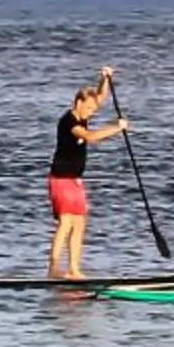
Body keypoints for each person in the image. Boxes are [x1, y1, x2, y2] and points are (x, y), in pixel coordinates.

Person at [47, 65, 131, 279]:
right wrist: (116, 128)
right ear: (78, 103)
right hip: (61, 179)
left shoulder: (83, 113)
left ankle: (74, 269)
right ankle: (54, 268)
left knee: (80, 222)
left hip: (75, 181)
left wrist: (105, 79)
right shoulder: (69, 121)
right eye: (90, 109)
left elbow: (101, 97)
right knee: (66, 222)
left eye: (94, 110)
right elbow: (90, 137)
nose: (93, 112)